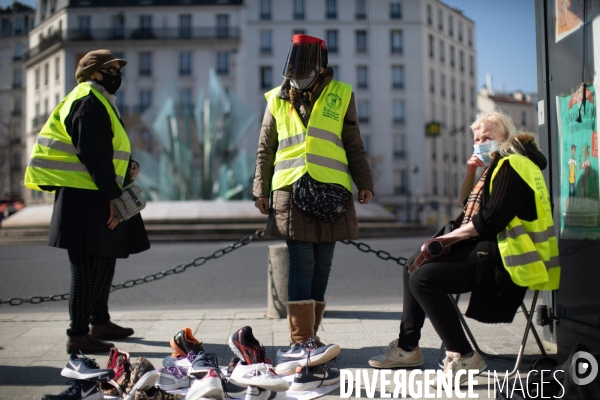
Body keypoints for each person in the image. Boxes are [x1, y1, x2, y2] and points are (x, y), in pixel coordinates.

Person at [368, 111, 560, 387]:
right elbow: (466, 202)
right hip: (494, 247)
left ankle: (463, 355)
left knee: (424, 278)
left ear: (505, 138)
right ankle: (408, 348)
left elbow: (490, 221)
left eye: (487, 137)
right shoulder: (500, 165)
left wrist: (447, 240)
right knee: (412, 266)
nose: (480, 143)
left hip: (511, 257)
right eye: (477, 138)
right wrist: (471, 171)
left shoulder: (513, 165)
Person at [253, 34, 374, 365]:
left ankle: (311, 337)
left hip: (331, 191)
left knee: (323, 265)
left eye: (305, 64)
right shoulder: (276, 98)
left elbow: (353, 142)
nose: (298, 70)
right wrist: (259, 189)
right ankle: (300, 340)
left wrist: (365, 182)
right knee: (303, 262)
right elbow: (266, 148)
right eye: (295, 62)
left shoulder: (341, 94)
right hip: (290, 189)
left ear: (321, 64)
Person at [24, 49, 150, 354]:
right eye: (111, 69)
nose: (117, 74)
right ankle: (78, 335)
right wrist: (112, 196)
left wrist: (129, 164)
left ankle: (99, 321)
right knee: (86, 267)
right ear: (94, 73)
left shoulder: (100, 101)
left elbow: (104, 150)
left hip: (94, 192)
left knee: (104, 258)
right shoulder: (87, 101)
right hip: (83, 196)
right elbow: (92, 153)